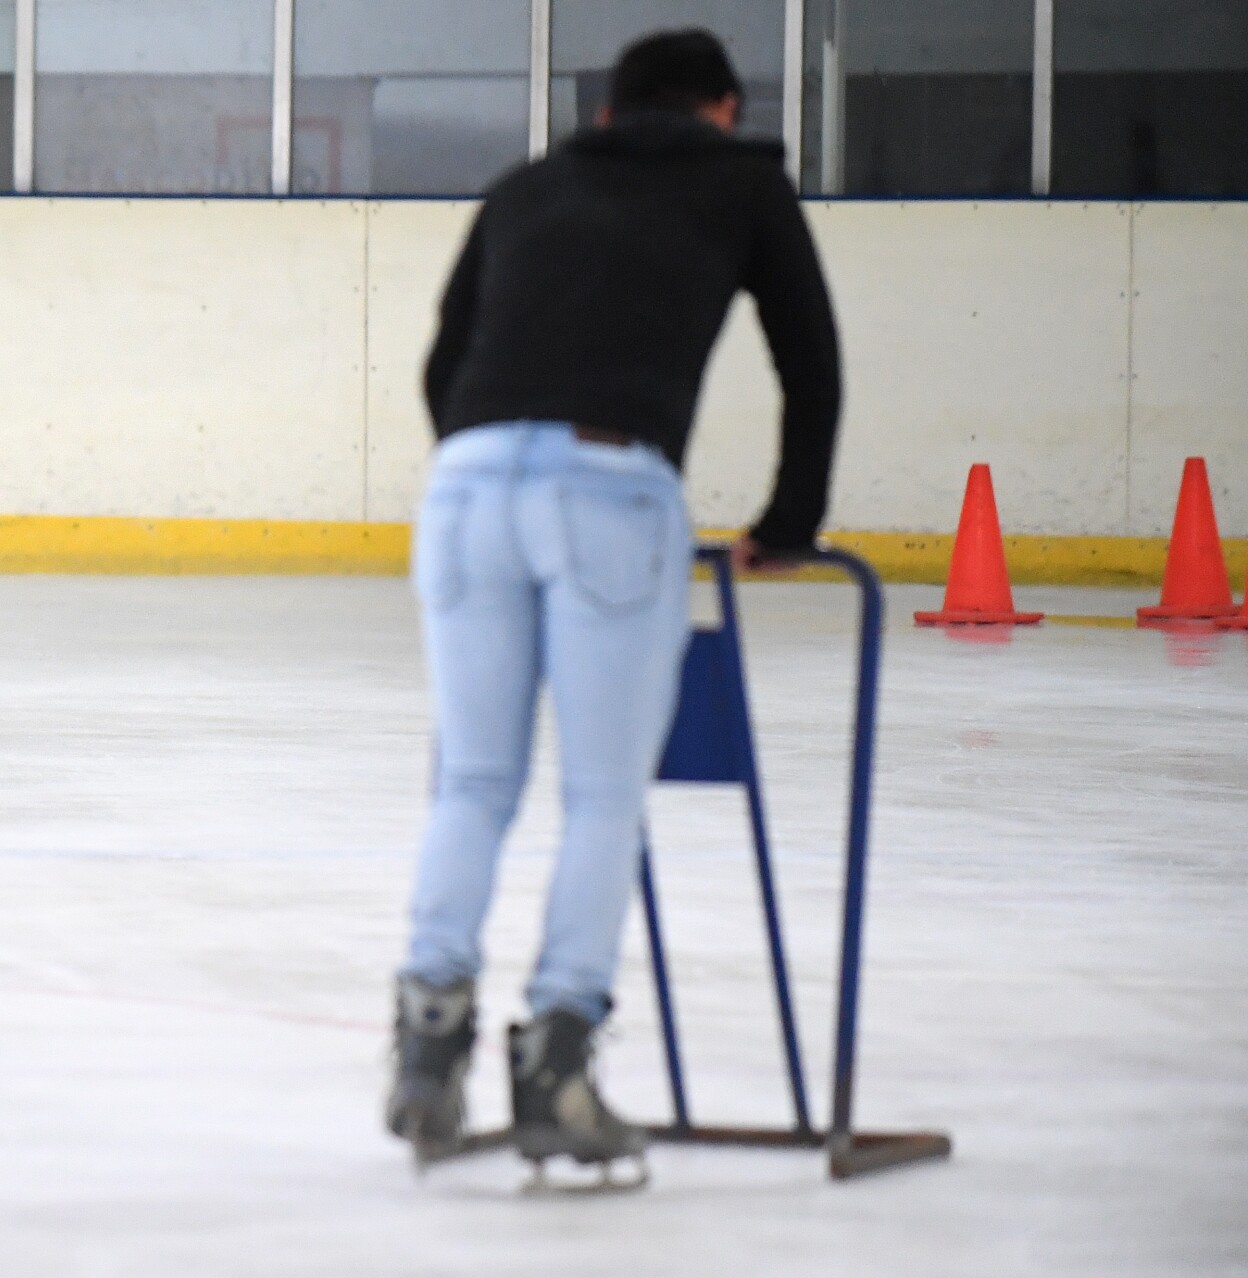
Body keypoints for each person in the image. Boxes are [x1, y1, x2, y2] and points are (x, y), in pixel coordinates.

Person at [387, 29, 842, 1170]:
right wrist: (786, 526)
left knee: (475, 779)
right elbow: (810, 361)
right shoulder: (741, 181)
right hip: (610, 481)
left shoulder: (529, 182)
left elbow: (443, 366)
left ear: (605, 113)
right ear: (722, 110)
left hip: (464, 487)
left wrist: (496, 460)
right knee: (600, 793)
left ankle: (428, 1035)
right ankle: (556, 1059)